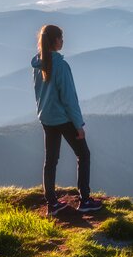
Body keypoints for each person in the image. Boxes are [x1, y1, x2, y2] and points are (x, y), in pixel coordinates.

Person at [31, 24, 103, 216]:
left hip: (46, 118)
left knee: (50, 160)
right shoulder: (61, 66)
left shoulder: (39, 64)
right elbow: (69, 99)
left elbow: (38, 93)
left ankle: (52, 204)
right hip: (63, 118)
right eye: (61, 38)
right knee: (84, 154)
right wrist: (78, 126)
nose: (63, 41)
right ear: (55, 41)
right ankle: (85, 200)